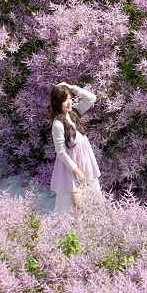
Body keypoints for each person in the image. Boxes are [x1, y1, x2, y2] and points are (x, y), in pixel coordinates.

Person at [49, 82, 102, 214]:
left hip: (86, 162)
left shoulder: (74, 113)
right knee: (68, 207)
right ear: (57, 103)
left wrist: (71, 87)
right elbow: (61, 153)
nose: (69, 103)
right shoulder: (57, 124)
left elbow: (91, 98)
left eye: (69, 99)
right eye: (64, 100)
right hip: (71, 168)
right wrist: (76, 170)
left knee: (95, 201)